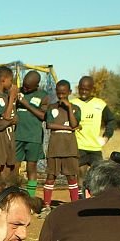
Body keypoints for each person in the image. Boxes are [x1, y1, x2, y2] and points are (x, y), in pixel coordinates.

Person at [71, 75, 116, 193]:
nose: (84, 91)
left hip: (95, 147)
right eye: (81, 88)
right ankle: (80, 201)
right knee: (80, 175)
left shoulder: (100, 104)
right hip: (78, 146)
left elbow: (111, 120)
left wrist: (106, 136)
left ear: (92, 89)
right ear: (78, 88)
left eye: (87, 89)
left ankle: (96, 200)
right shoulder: (72, 103)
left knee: (98, 176)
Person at [42, 80, 81, 212]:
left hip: (69, 148)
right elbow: (49, 125)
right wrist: (68, 127)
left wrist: (69, 107)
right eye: (59, 93)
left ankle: (75, 205)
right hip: (55, 147)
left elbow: (75, 124)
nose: (61, 96)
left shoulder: (75, 108)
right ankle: (46, 205)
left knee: (71, 176)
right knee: (51, 176)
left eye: (64, 93)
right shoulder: (52, 107)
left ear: (69, 92)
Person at [14, 71, 48, 198]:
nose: (25, 88)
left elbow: (43, 116)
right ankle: (14, 194)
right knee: (14, 167)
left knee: (31, 167)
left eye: (29, 87)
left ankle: (31, 197)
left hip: (33, 137)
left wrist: (26, 104)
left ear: (36, 85)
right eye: (24, 85)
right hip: (17, 135)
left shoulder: (43, 96)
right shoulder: (18, 92)